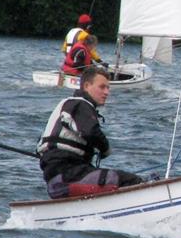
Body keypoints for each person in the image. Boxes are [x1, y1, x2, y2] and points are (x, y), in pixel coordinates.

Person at [37, 66, 144, 199]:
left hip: (58, 179)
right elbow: (91, 132)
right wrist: (106, 149)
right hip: (68, 176)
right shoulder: (80, 104)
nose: (107, 92)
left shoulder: (68, 105)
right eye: (102, 87)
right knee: (132, 181)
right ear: (87, 86)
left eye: (108, 88)